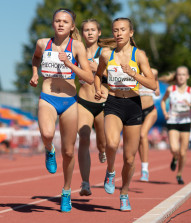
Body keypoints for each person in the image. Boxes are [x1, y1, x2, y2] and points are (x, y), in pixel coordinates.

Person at [29, 8, 93, 212]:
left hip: (69, 101)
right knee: (47, 134)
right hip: (47, 96)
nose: (61, 24)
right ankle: (49, 150)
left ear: (72, 26)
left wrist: (70, 64)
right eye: (57, 20)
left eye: (65, 21)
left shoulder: (77, 46)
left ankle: (66, 191)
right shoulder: (42, 43)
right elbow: (36, 58)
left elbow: (89, 78)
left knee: (68, 151)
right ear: (53, 23)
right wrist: (35, 74)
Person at [94, 17, 157, 211]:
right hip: (113, 103)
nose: (118, 33)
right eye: (115, 30)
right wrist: (98, 88)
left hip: (133, 104)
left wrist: (133, 74)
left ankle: (124, 194)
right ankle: (111, 171)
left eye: (122, 29)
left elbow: (153, 85)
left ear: (131, 33)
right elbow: (98, 75)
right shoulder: (106, 54)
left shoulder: (139, 55)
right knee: (111, 144)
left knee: (130, 159)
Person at [77, 19, 110, 196]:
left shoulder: (105, 52)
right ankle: (85, 183)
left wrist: (99, 69)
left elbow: (117, 77)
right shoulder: (77, 51)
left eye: (93, 30)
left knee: (103, 142)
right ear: (82, 33)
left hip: (103, 102)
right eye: (86, 30)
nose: (89, 33)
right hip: (83, 100)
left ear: (99, 33)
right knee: (83, 137)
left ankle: (103, 150)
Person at [160, 66, 191, 185]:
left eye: (183, 74)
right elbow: (162, 101)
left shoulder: (190, 91)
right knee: (174, 149)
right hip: (173, 121)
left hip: (185, 122)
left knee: (183, 152)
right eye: (179, 74)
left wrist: (190, 105)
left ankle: (179, 174)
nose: (181, 77)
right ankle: (175, 158)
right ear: (176, 76)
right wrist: (165, 113)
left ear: (187, 76)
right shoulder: (171, 89)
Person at [138, 68, 160, 182]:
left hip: (151, 110)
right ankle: (143, 166)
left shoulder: (153, 72)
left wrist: (157, 88)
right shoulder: (133, 71)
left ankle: (145, 170)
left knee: (142, 135)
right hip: (137, 111)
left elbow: (156, 80)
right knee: (137, 140)